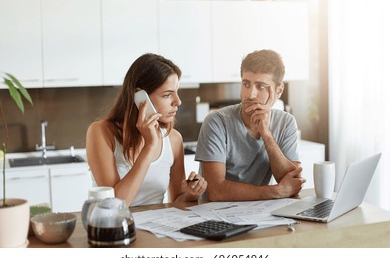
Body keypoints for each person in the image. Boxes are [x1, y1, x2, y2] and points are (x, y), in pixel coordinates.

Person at [86, 53, 207, 206]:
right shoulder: (101, 132)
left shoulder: (174, 139)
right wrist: (149, 146)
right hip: (117, 227)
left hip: (157, 227)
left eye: (177, 92)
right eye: (167, 95)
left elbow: (177, 202)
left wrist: (190, 194)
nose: (178, 101)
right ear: (140, 97)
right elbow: (115, 205)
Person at [195, 49, 305, 201]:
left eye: (260, 87)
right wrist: (277, 191)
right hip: (216, 217)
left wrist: (266, 134)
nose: (250, 94)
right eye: (246, 84)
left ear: (278, 91)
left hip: (260, 213)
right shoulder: (216, 121)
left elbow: (293, 182)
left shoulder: (286, 122)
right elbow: (216, 191)